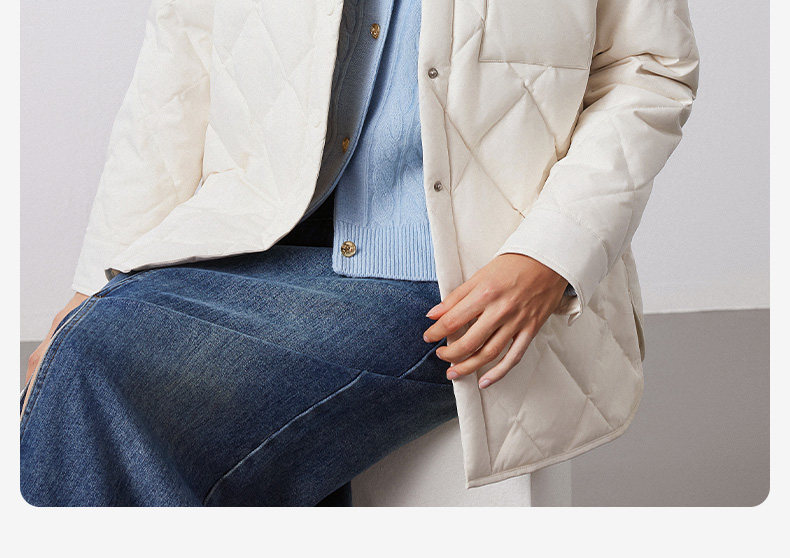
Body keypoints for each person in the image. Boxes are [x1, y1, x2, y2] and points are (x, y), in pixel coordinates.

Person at [20, 0, 699, 506]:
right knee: (86, 354)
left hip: (452, 275)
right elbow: (178, 67)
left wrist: (549, 255)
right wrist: (97, 278)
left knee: (99, 360)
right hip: (250, 242)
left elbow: (649, 71)